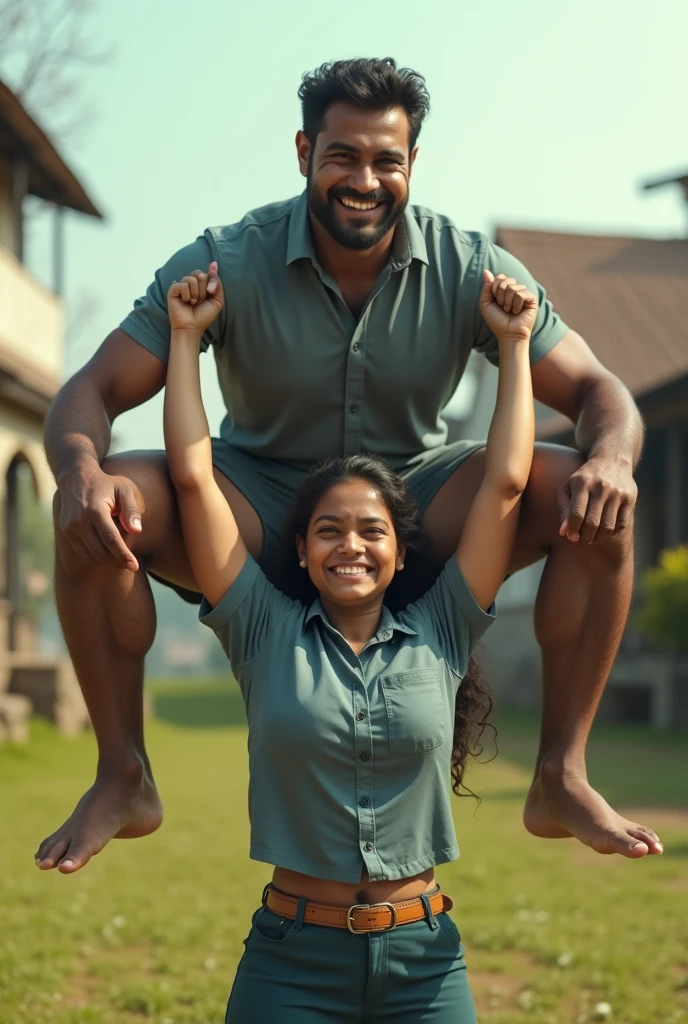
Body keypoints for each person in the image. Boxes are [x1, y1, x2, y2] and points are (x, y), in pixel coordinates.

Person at [36, 57, 661, 876]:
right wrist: (82, 471)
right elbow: (88, 393)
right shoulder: (228, 258)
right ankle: (123, 772)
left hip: (419, 509)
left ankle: (561, 774)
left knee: (593, 495)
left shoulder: (472, 267)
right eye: (343, 157)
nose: (364, 179)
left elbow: (599, 391)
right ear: (304, 153)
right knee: (103, 505)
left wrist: (611, 457)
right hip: (251, 506)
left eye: (386, 161)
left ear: (411, 166)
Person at [164, 261, 535, 1023]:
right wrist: (184, 339)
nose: (351, 546)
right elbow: (196, 480)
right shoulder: (258, 627)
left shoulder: (444, 625)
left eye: (372, 531)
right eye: (328, 530)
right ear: (300, 551)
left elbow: (504, 483)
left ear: (400, 550)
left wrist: (516, 347)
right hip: (291, 961)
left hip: (426, 962)